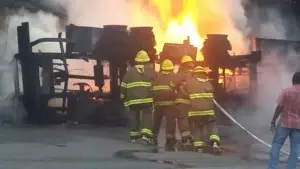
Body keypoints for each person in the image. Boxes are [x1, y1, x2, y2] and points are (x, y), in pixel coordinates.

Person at [120, 50, 156, 144]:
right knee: (147, 115)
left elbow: (123, 85)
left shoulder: (130, 71)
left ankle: (134, 137)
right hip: (146, 99)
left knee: (134, 116)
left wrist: (122, 96)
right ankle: (145, 135)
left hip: (132, 100)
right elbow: (156, 84)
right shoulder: (151, 71)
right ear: (146, 61)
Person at [184, 66, 221, 154]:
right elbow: (213, 98)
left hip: (195, 112)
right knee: (212, 126)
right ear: (204, 74)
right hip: (208, 112)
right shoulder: (209, 84)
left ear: (195, 74)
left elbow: (184, 91)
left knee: (197, 128)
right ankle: (215, 143)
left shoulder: (190, 83)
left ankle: (199, 147)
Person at [267, 71, 300, 169]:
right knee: (295, 148)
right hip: (298, 125)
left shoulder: (286, 91)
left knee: (276, 145)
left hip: (284, 123)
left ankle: (272, 167)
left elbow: (279, 107)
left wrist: (273, 121)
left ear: (293, 80)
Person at [152, 59, 177, 150]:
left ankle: (153, 136)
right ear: (171, 68)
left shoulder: (157, 76)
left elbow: (152, 88)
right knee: (171, 120)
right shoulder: (174, 76)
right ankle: (170, 137)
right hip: (169, 104)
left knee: (156, 120)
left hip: (158, 103)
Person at [169, 55, 194, 148]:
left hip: (182, 101)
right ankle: (192, 137)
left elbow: (171, 84)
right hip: (194, 102)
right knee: (191, 120)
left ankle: (186, 139)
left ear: (183, 64)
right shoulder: (195, 73)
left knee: (183, 119)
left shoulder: (182, 73)